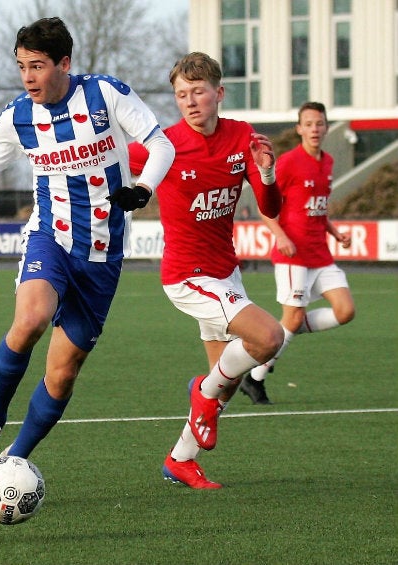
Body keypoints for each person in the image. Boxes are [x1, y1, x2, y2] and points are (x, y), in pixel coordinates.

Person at [0, 17, 175, 473]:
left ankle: (13, 461)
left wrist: (144, 189)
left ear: (64, 63)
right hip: (49, 237)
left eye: (37, 65)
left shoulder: (104, 95)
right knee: (31, 318)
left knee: (62, 373)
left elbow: (161, 145)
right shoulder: (17, 116)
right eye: (21, 66)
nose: (28, 76)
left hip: (102, 254)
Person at [129, 52, 284, 489]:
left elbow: (271, 207)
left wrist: (267, 174)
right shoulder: (166, 144)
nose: (190, 101)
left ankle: (180, 459)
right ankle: (200, 393)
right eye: (181, 95)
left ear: (219, 93)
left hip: (225, 272)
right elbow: (112, 158)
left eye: (198, 92)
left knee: (227, 384)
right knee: (269, 337)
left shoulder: (243, 138)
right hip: (187, 276)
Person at [240, 102, 356, 404]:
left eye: (319, 123)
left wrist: (334, 232)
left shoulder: (328, 161)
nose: (315, 129)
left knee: (345, 311)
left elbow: (316, 208)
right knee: (291, 319)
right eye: (309, 123)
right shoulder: (290, 162)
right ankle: (255, 378)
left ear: (327, 127)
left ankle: (289, 330)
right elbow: (268, 205)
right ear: (299, 129)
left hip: (320, 253)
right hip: (293, 254)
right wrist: (279, 235)